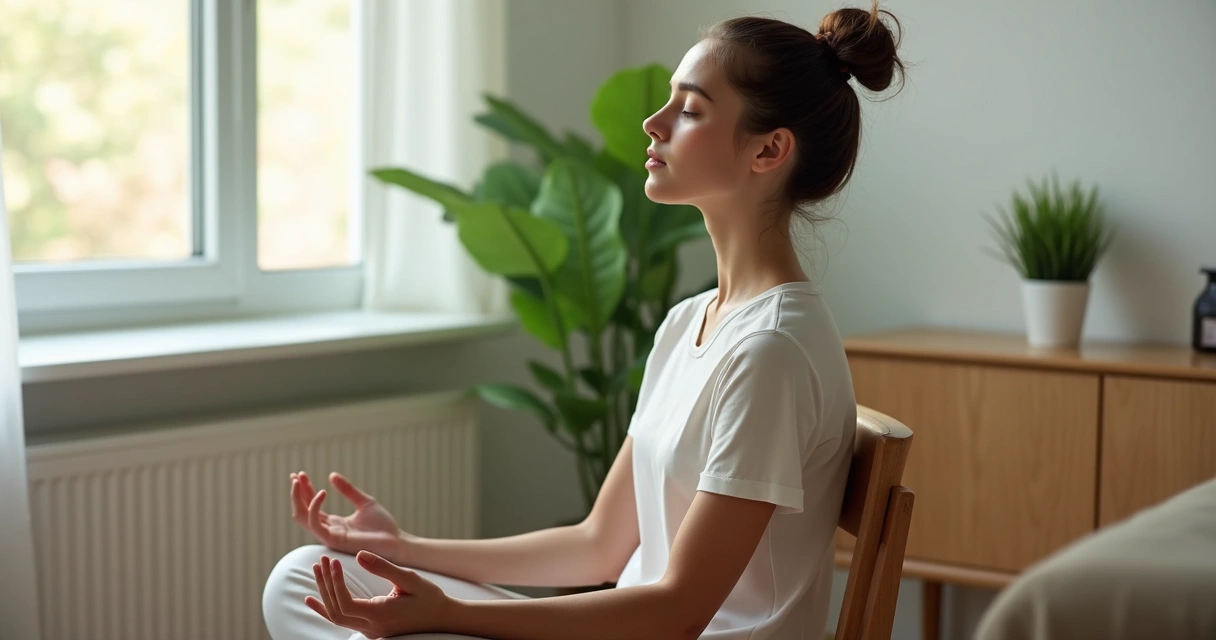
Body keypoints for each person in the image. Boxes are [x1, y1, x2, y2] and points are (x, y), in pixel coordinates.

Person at [263, 3, 904, 638]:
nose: (654, 123)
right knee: (303, 574)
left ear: (769, 149)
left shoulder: (771, 352)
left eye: (689, 110)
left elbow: (680, 610)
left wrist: (450, 616)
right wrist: (403, 547)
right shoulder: (689, 323)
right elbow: (599, 545)